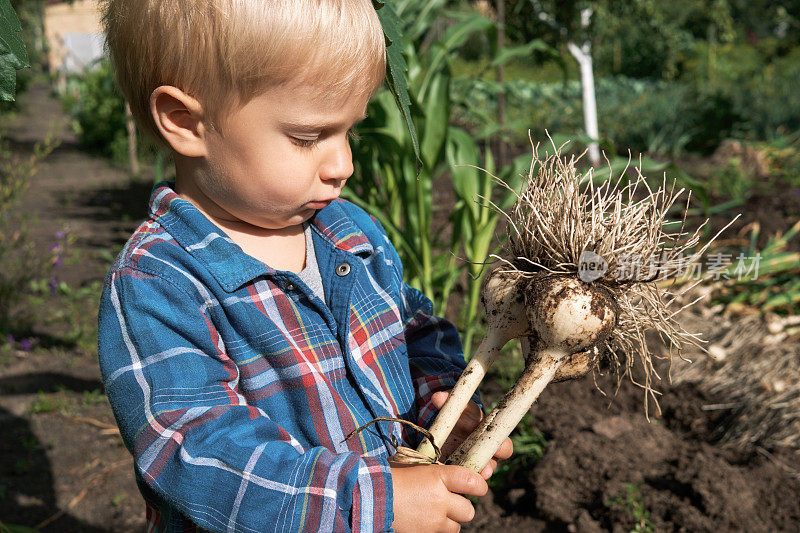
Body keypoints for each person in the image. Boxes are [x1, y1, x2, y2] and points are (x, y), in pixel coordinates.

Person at [97, 1, 512, 531]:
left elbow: (411, 328)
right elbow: (200, 454)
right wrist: (366, 504)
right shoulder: (159, 283)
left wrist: (439, 407)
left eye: (350, 132)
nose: (343, 165)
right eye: (308, 137)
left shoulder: (348, 232)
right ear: (185, 122)